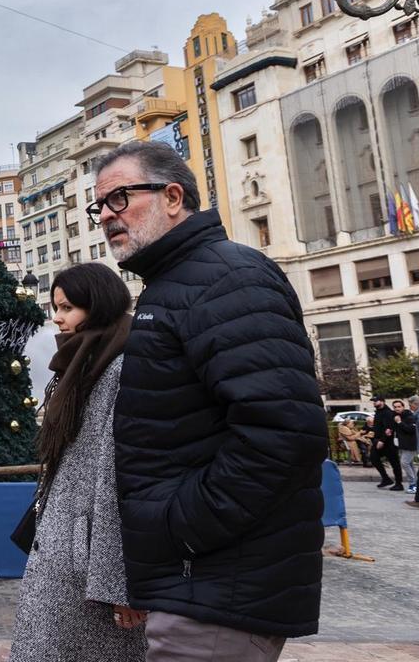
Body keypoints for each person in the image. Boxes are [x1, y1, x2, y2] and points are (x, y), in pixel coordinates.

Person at [93, 141, 326, 662]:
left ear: (173, 197)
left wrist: (179, 527)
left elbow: (285, 433)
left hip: (220, 587)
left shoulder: (226, 277)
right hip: (198, 583)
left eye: (119, 198)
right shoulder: (175, 283)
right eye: (100, 205)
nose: (106, 216)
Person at [10, 263, 146, 662]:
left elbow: (119, 478)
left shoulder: (119, 367)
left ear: (97, 305)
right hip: (65, 550)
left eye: (67, 307)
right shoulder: (80, 363)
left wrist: (119, 586)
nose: (57, 317)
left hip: (88, 563)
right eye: (56, 307)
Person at [371, 397, 403, 490]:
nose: (374, 403)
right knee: (373, 458)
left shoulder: (388, 413)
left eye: (376, 401)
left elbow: (389, 428)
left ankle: (399, 483)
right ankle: (386, 478)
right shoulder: (378, 412)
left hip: (388, 442)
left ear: (382, 402)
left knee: (394, 463)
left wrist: (382, 440)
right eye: (373, 401)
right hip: (378, 441)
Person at [392, 400, 418, 494]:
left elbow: (411, 430)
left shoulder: (409, 416)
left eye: (399, 406)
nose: (397, 408)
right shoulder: (397, 417)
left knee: (404, 463)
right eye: (395, 407)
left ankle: (413, 484)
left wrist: (399, 422)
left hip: (410, 445)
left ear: (403, 407)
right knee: (409, 464)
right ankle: (415, 483)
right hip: (402, 445)